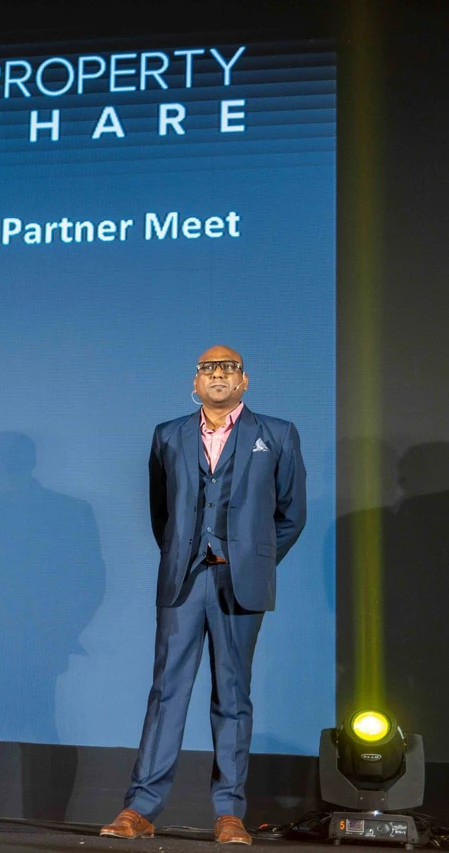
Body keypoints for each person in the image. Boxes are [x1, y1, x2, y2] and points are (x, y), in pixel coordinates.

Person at [100, 346, 306, 845]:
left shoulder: (277, 434)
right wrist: (183, 554)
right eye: (208, 368)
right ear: (195, 383)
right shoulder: (168, 435)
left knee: (232, 696)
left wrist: (253, 560)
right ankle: (140, 808)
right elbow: (162, 513)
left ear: (244, 380)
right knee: (166, 692)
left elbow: (291, 513)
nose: (218, 374)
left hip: (241, 584)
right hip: (184, 582)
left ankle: (229, 813)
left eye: (228, 367)